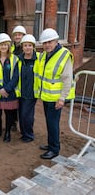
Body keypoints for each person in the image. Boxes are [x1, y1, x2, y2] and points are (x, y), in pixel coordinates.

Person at [36, 28, 74, 159]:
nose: (47, 45)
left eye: (50, 42)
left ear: (56, 41)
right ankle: (51, 144)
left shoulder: (64, 55)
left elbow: (67, 79)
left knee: (53, 124)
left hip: (56, 98)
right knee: (49, 122)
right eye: (45, 42)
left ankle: (54, 149)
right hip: (47, 96)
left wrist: (62, 98)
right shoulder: (45, 54)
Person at [17, 34, 39, 143]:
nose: (27, 47)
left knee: (27, 115)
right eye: (25, 45)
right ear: (22, 47)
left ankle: (29, 135)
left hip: (31, 93)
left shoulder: (39, 58)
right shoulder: (19, 59)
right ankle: (24, 133)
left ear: (33, 46)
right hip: (20, 92)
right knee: (21, 114)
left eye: (30, 45)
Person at [10, 25, 27, 132]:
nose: (17, 36)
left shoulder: (26, 48)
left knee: (23, 107)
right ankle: (13, 123)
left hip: (24, 82)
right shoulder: (11, 48)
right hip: (13, 81)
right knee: (13, 105)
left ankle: (24, 126)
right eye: (15, 35)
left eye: (20, 34)